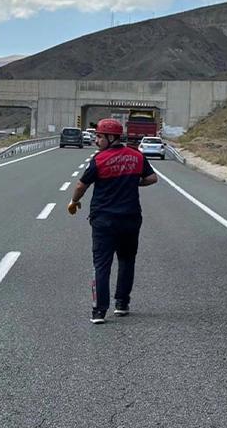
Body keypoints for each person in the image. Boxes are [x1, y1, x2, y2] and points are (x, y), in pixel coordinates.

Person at [67, 118, 157, 324]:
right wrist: (133, 182)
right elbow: (152, 178)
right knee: (126, 260)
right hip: (131, 218)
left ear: (111, 137)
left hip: (104, 219)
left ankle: (99, 311)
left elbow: (81, 185)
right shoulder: (136, 156)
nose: (96, 140)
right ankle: (122, 304)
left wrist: (73, 201)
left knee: (101, 264)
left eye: (99, 137)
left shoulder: (99, 160)